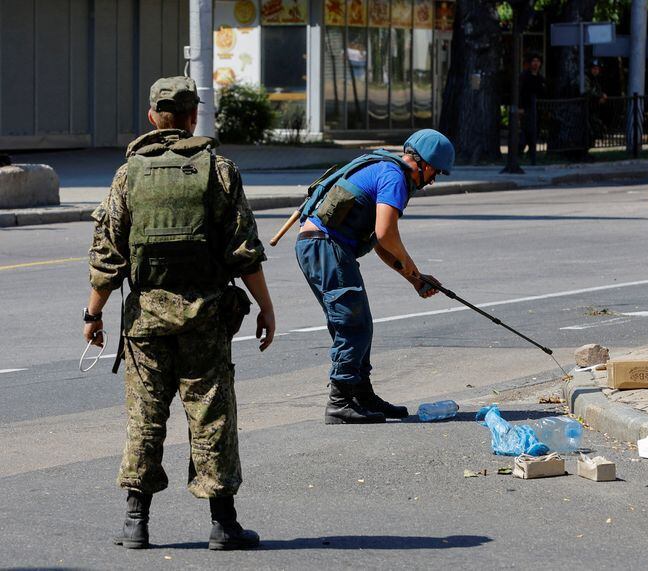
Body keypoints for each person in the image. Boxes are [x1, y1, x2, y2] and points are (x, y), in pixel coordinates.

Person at [82, 76, 276, 550]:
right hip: (206, 317)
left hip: (146, 318)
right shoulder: (220, 170)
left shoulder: (128, 174)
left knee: (145, 417)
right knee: (211, 415)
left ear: (152, 116)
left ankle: (135, 523)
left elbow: (108, 253)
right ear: (193, 117)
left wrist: (93, 316)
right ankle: (222, 523)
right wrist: (267, 309)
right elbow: (244, 251)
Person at [294, 129, 455, 424]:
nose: (433, 180)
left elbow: (381, 244)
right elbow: (386, 233)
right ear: (422, 162)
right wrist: (414, 269)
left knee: (360, 323)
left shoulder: (389, 172)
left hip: (324, 248)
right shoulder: (395, 177)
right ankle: (340, 402)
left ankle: (361, 395)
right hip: (324, 247)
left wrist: (415, 280)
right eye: (435, 172)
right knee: (351, 325)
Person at [519, 53, 547, 163]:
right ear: (530, 63)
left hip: (537, 109)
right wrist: (520, 107)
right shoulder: (524, 76)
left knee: (535, 130)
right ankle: (519, 151)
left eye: (538, 61)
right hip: (527, 108)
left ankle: (531, 153)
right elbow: (520, 92)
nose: (536, 63)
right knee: (526, 130)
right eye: (533, 61)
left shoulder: (541, 78)